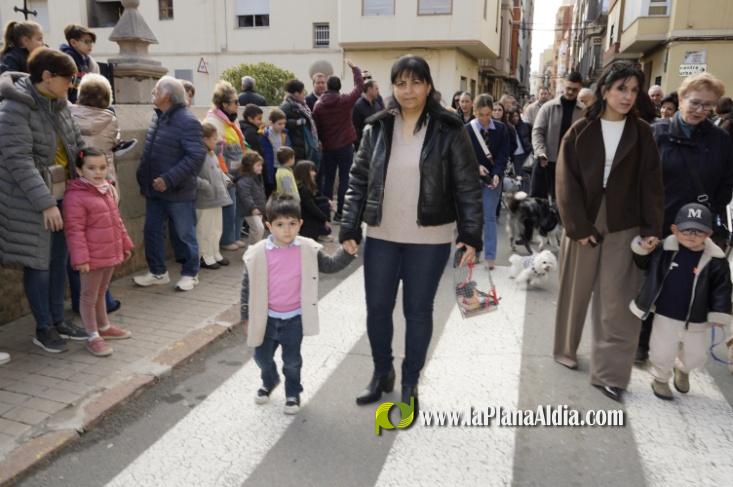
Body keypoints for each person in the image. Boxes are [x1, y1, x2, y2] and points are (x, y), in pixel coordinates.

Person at [340, 55, 483, 411]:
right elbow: (358, 181)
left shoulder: (450, 129)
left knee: (417, 312)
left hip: (429, 240)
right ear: (392, 88)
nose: (408, 90)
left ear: (428, 86)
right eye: (400, 83)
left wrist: (471, 234)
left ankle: (410, 381)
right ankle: (381, 373)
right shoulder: (376, 128)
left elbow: (467, 186)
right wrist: (349, 225)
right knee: (377, 309)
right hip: (382, 236)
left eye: (416, 82)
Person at [554, 62, 664, 402]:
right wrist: (578, 227)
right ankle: (566, 348)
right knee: (575, 290)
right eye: (621, 89)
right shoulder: (580, 129)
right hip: (584, 218)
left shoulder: (642, 132)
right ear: (605, 90)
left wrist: (652, 228)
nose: (627, 96)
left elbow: (652, 183)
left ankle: (610, 374)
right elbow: (565, 181)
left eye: (633, 90)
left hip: (625, 221)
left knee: (618, 300)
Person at [636, 72, 733, 363]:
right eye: (695, 102)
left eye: (708, 105)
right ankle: (642, 341)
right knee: (653, 279)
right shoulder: (657, 133)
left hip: (697, 226)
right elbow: (639, 178)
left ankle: (679, 347)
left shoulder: (720, 140)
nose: (701, 110)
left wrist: (709, 216)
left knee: (685, 284)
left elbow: (726, 182)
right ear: (680, 99)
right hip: (660, 219)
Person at [0, 48, 88, 354]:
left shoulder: (60, 104)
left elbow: (77, 144)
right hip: (31, 201)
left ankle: (58, 319)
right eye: (68, 79)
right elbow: (18, 160)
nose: (72, 85)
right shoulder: (14, 108)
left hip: (63, 195)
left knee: (59, 260)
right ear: (47, 76)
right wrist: (46, 203)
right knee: (38, 264)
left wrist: (95, 172)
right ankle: (44, 327)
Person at [241, 194, 356, 414]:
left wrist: (346, 253)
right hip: (266, 318)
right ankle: (270, 380)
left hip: (294, 319)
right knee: (261, 357)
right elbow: (247, 286)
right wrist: (245, 316)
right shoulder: (257, 253)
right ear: (269, 226)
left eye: (292, 224)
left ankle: (293, 393)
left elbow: (330, 265)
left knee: (292, 362)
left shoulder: (307, 249)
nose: (287, 230)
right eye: (280, 224)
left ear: (300, 224)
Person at [630, 203, 732, 400]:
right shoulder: (664, 249)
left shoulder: (716, 260)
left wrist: (720, 313)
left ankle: (683, 369)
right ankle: (660, 379)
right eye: (686, 230)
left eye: (699, 231)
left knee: (696, 355)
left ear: (709, 233)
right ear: (674, 230)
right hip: (665, 313)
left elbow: (722, 289)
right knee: (661, 350)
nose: (692, 235)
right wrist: (642, 248)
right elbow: (643, 263)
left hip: (697, 317)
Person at [133, 76, 206, 292]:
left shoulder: (187, 121)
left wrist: (169, 179)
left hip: (177, 190)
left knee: (185, 235)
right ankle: (158, 272)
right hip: (154, 189)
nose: (153, 93)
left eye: (156, 90)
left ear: (167, 96)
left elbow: (196, 156)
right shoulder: (159, 116)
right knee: (152, 231)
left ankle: (191, 274)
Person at [63, 148, 134, 356]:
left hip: (109, 251)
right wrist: (81, 259)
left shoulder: (107, 190)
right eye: (92, 168)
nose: (98, 172)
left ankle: (104, 327)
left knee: (102, 291)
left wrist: (125, 244)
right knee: (88, 296)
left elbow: (116, 220)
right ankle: (92, 335)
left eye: (102, 167)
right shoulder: (75, 196)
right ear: (79, 170)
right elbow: (74, 231)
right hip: (91, 257)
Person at [69, 73, 123, 314]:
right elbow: (115, 142)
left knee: (77, 246)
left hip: (78, 186)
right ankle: (104, 301)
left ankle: (80, 301)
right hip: (105, 185)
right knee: (103, 245)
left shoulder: (68, 115)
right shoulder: (110, 120)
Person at [313, 59, 364, 221]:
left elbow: (316, 127)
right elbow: (359, 87)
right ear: (339, 87)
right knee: (344, 179)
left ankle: (326, 212)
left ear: (327, 87)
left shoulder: (318, 105)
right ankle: (340, 212)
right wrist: (355, 68)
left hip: (328, 147)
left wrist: (321, 141)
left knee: (327, 180)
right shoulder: (344, 101)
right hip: (345, 146)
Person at [203, 80, 247, 252]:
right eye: (235, 102)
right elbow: (215, 149)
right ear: (224, 104)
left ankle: (235, 236)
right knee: (229, 204)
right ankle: (227, 240)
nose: (238, 105)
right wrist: (224, 171)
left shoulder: (231, 119)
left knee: (237, 204)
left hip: (236, 165)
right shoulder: (213, 120)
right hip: (224, 168)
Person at [467, 95, 509, 269]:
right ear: (475, 112)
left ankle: (490, 256)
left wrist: (497, 174)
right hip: (471, 179)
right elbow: (462, 155)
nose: (485, 119)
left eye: (488, 114)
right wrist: (476, 166)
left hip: (493, 180)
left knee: (489, 216)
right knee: (474, 217)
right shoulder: (467, 129)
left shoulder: (501, 128)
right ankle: (474, 252)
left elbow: (503, 155)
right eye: (481, 115)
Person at [531, 72, 584, 200]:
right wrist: (540, 152)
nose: (570, 92)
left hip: (569, 165)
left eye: (575, 90)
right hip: (546, 162)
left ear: (580, 89)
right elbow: (537, 132)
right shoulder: (548, 107)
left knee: (563, 203)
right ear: (563, 85)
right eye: (568, 88)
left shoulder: (584, 111)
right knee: (538, 202)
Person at [196, 123, 233, 270]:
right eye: (214, 138)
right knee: (205, 228)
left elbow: (218, 171)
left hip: (216, 195)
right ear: (204, 139)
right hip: (205, 198)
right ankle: (204, 255)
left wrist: (226, 179)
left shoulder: (211, 153)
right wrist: (205, 185)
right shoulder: (198, 154)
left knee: (216, 228)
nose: (216, 141)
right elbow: (191, 175)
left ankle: (214, 252)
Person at [280, 79, 319, 162]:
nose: (304, 93)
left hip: (305, 144)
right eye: (303, 91)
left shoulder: (302, 104)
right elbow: (282, 123)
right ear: (296, 94)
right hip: (297, 146)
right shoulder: (287, 106)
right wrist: (297, 122)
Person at [60, 24, 99, 103]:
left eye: (91, 42)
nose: (90, 45)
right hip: (71, 101)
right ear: (73, 42)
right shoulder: (70, 58)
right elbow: (72, 85)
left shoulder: (84, 58)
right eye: (86, 42)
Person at [294, 160, 331, 240]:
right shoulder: (303, 189)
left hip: (305, 218)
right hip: (306, 222)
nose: (314, 173)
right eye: (311, 171)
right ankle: (321, 232)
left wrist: (327, 200)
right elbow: (312, 207)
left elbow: (313, 201)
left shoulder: (303, 187)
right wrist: (324, 219)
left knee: (325, 203)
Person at [236, 152, 267, 246]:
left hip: (257, 209)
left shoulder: (255, 177)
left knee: (258, 229)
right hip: (250, 211)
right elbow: (245, 196)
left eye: (261, 165)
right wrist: (253, 208)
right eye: (258, 165)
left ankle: (254, 248)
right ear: (250, 166)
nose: (261, 167)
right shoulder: (245, 180)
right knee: (258, 228)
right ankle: (253, 249)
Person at [260, 108, 291, 196]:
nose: (282, 126)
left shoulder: (285, 134)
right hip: (271, 168)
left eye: (284, 123)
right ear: (271, 122)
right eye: (279, 124)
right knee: (272, 192)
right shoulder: (265, 135)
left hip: (283, 167)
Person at [352, 79, 384, 151]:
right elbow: (355, 128)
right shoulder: (358, 106)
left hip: (376, 144)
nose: (378, 91)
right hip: (364, 147)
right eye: (376, 89)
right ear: (369, 89)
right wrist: (359, 146)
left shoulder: (377, 103)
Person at [509, 109, 532, 191]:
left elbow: (531, 137)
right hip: (515, 155)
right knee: (519, 175)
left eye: (516, 116)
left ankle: (527, 192)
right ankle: (522, 191)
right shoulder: (508, 127)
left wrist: (531, 148)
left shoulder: (525, 126)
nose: (515, 118)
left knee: (526, 174)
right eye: (512, 116)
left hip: (526, 153)